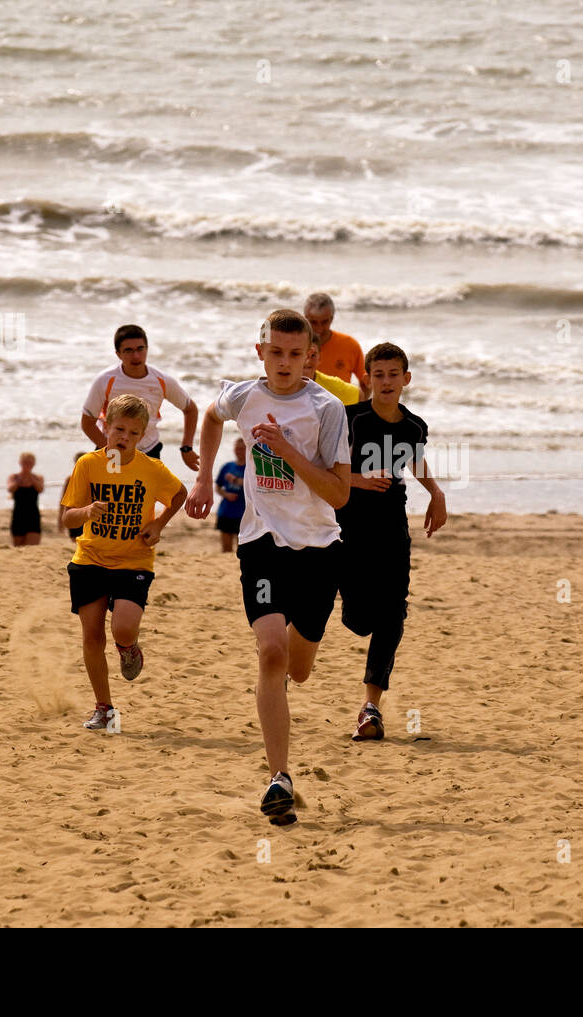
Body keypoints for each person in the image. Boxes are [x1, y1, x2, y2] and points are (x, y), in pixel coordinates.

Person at [185, 308, 351, 826]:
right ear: (261, 352)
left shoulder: (326, 409)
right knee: (271, 654)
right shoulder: (243, 395)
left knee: (299, 670)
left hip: (319, 546)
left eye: (294, 354)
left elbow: (340, 493)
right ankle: (279, 777)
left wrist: (286, 450)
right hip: (261, 542)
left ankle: (298, 660)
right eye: (275, 352)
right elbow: (212, 416)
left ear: (310, 357)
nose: (284, 363)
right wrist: (204, 478)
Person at [336, 342, 447, 742]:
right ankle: (353, 612)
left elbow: (414, 459)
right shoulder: (349, 419)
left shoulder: (413, 426)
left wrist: (436, 492)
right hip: (347, 528)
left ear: (406, 379)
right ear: (367, 378)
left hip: (391, 528)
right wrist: (358, 479)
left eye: (393, 375)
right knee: (358, 620)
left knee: (393, 612)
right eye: (378, 375)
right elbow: (318, 471)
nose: (386, 382)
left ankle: (371, 709)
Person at [61, 394, 187, 731]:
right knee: (92, 637)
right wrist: (86, 512)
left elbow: (179, 494)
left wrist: (158, 524)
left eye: (133, 433)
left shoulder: (151, 469)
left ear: (143, 435)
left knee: (123, 627)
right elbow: (67, 518)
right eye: (119, 429)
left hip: (134, 560)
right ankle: (104, 708)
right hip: (89, 559)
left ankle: (128, 648)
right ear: (105, 427)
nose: (124, 438)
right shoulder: (88, 464)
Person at [80, 324, 200, 470]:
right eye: (128, 350)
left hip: (149, 450)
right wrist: (111, 449)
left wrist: (186, 448)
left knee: (156, 493)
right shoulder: (105, 380)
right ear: (118, 354)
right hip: (112, 452)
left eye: (140, 349)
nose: (136, 356)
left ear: (147, 349)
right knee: (110, 493)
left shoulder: (162, 380)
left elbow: (190, 409)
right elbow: (87, 422)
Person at [303, 292, 370, 398]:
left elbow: (366, 382)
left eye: (324, 322)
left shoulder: (349, 345)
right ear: (305, 318)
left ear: (332, 318)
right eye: (314, 322)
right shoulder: (295, 346)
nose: (319, 329)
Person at [305, 329, 361, 405]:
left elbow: (359, 394)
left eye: (313, 355)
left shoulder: (334, 386)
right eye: (303, 354)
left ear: (319, 358)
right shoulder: (283, 383)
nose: (307, 361)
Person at [214, 437, 247, 552]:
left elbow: (251, 484)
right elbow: (217, 487)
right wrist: (226, 494)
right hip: (226, 511)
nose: (239, 451)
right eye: (237, 448)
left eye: (242, 449)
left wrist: (235, 480)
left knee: (243, 550)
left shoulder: (251, 468)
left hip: (244, 514)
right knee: (226, 550)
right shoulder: (227, 466)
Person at [8, 452, 44, 546]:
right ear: (20, 463)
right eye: (25, 462)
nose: (27, 465)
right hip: (18, 515)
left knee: (32, 547)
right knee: (18, 547)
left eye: (30, 463)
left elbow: (40, 489)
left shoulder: (38, 477)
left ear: (33, 464)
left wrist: (30, 477)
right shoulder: (14, 477)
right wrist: (21, 478)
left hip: (33, 515)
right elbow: (10, 489)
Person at [57, 452, 90, 542]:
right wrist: (60, 520)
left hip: (88, 514)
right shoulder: (70, 478)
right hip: (74, 514)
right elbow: (63, 501)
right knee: (75, 542)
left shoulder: (93, 477)